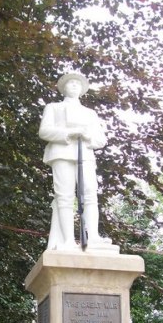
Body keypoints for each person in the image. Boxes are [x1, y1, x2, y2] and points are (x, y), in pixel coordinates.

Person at [39, 73, 110, 250]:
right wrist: (67, 133)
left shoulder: (90, 113)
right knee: (64, 196)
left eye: (77, 84)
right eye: (70, 83)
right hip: (62, 153)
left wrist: (87, 135)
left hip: (84, 154)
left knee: (90, 194)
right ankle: (67, 240)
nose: (74, 86)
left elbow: (100, 140)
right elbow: (44, 131)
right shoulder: (53, 108)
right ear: (63, 87)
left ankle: (93, 236)